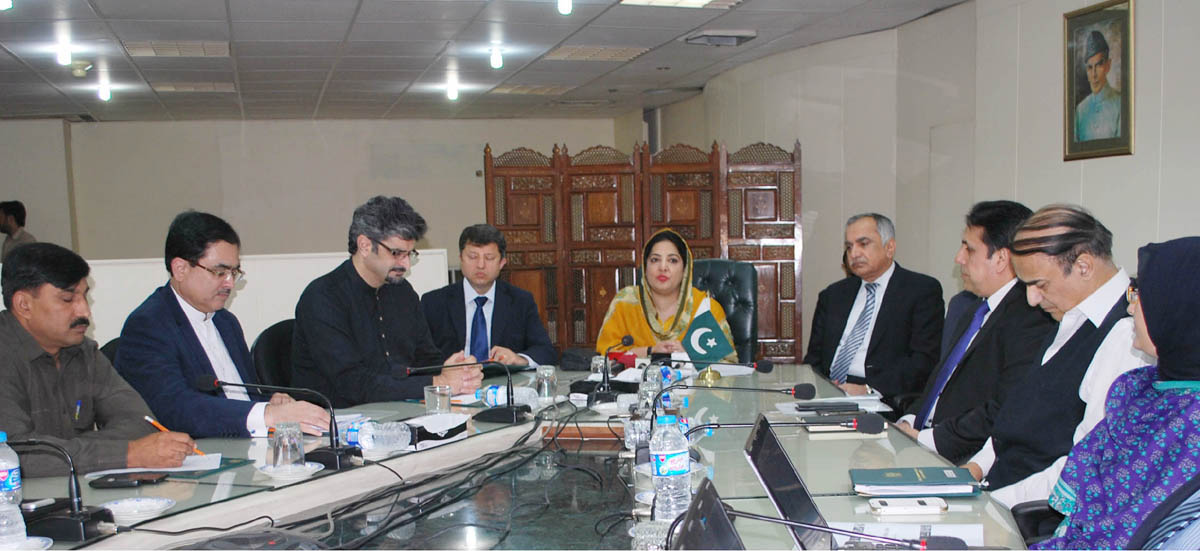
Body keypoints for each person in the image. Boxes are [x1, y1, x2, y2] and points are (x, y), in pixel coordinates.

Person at [933, 204, 1150, 507]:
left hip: (1030, 515)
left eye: (1039, 284)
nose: (1032, 299)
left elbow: (1084, 469)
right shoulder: (1070, 313)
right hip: (995, 490)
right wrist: (971, 471)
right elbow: (1016, 417)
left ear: (1084, 266)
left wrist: (988, 504)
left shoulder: (1130, 337)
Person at [1031, 237, 1200, 549]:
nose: (1130, 305)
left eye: (1141, 295)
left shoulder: (1192, 420)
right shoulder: (1136, 388)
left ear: (1180, 310)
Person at [116, 211, 329, 438]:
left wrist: (274, 403)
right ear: (180, 269)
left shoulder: (226, 322)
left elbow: (244, 400)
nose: (229, 283)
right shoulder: (148, 326)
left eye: (234, 272)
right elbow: (177, 409)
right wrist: (268, 414)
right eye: (219, 272)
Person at [0, 243, 195, 476]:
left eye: (84, 296)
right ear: (24, 305)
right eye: (67, 299)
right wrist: (128, 454)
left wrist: (79, 451)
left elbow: (141, 423)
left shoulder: (83, 352)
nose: (84, 312)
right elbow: (14, 455)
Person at [292, 196, 483, 408]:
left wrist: (450, 370)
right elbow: (352, 384)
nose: (406, 265)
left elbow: (425, 358)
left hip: (400, 411)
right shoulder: (323, 298)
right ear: (365, 245)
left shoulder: (402, 292)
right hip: (338, 421)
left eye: (410, 254)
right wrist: (438, 382)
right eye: (396, 253)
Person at [897, 201, 1056, 440]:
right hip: (921, 436)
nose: (958, 258)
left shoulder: (1030, 318)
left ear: (1002, 258)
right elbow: (938, 387)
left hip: (961, 454)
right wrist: (908, 422)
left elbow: (1003, 409)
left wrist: (926, 440)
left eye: (969, 249)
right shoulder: (972, 308)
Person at [803, 213, 944, 402]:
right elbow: (814, 360)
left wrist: (868, 389)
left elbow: (923, 362)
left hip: (880, 395)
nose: (854, 253)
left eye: (863, 244)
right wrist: (820, 388)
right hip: (828, 392)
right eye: (849, 246)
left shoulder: (920, 291)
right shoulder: (833, 295)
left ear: (889, 247)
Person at [421, 224, 556, 367]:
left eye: (489, 258)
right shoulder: (434, 302)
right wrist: (443, 368)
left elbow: (545, 351)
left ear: (502, 262)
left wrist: (518, 359)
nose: (480, 265)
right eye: (473, 257)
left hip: (503, 385)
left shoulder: (520, 301)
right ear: (461, 259)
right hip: (454, 384)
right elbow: (420, 356)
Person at [595, 228, 735, 361]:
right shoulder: (625, 303)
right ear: (645, 266)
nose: (663, 267)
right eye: (655, 260)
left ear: (685, 269)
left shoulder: (705, 308)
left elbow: (728, 365)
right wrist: (650, 351)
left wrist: (690, 354)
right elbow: (605, 358)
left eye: (672, 260)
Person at [1075, 30, 1121, 141]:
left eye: (1099, 65)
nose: (1094, 75)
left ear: (1108, 65)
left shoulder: (1120, 104)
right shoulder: (1080, 110)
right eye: (1090, 68)